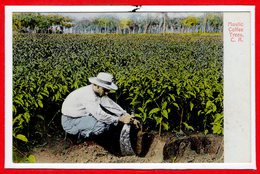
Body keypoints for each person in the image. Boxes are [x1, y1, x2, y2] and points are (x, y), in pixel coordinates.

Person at [61, 72, 141, 155]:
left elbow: (110, 104)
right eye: (105, 90)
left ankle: (101, 142)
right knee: (101, 126)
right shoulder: (87, 95)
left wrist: (125, 115)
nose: (107, 93)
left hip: (83, 117)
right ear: (97, 85)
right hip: (71, 121)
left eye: (108, 90)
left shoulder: (97, 92)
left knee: (108, 124)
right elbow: (99, 115)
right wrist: (120, 119)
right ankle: (82, 140)